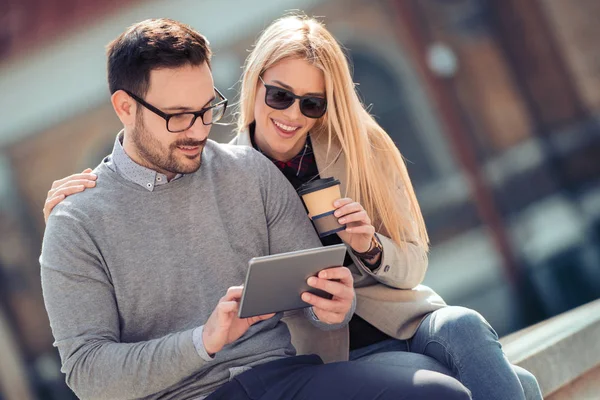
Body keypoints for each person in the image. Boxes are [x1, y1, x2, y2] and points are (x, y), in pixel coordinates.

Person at [40, 18, 472, 400]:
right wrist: (203, 341)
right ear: (125, 107)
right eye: (177, 116)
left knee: (440, 393)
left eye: (206, 109)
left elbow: (313, 309)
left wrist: (331, 308)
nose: (197, 130)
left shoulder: (251, 172)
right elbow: (88, 374)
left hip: (285, 380)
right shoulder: (75, 223)